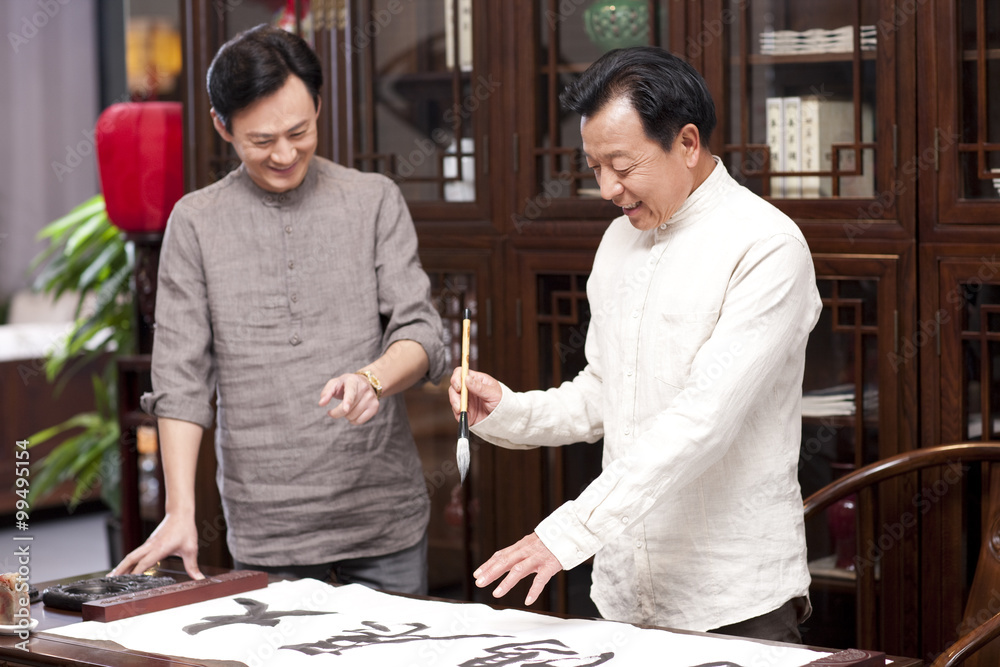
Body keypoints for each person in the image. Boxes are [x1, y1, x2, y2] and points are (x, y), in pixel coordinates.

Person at [449, 47, 822, 642]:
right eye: (594, 167)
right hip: (625, 586)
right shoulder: (618, 242)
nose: (606, 189)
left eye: (621, 165)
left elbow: (703, 418)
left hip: (731, 594)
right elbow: (603, 392)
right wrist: (510, 411)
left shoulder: (767, 246)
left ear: (688, 143)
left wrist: (568, 532)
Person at [112, 25, 446, 595]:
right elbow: (181, 378)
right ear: (223, 125)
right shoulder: (196, 223)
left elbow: (422, 332)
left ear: (318, 105)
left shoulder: (373, 200)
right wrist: (180, 510)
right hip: (268, 526)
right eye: (262, 140)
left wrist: (374, 378)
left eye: (300, 131)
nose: (286, 154)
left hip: (383, 514)